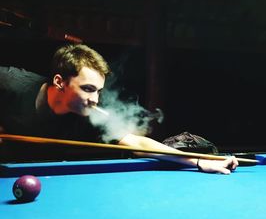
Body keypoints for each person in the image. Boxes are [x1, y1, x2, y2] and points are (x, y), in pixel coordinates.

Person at [0, 44, 237, 174]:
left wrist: (197, 160)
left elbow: (137, 143)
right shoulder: (11, 84)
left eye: (99, 91)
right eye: (88, 88)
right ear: (60, 82)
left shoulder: (93, 112)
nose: (95, 99)